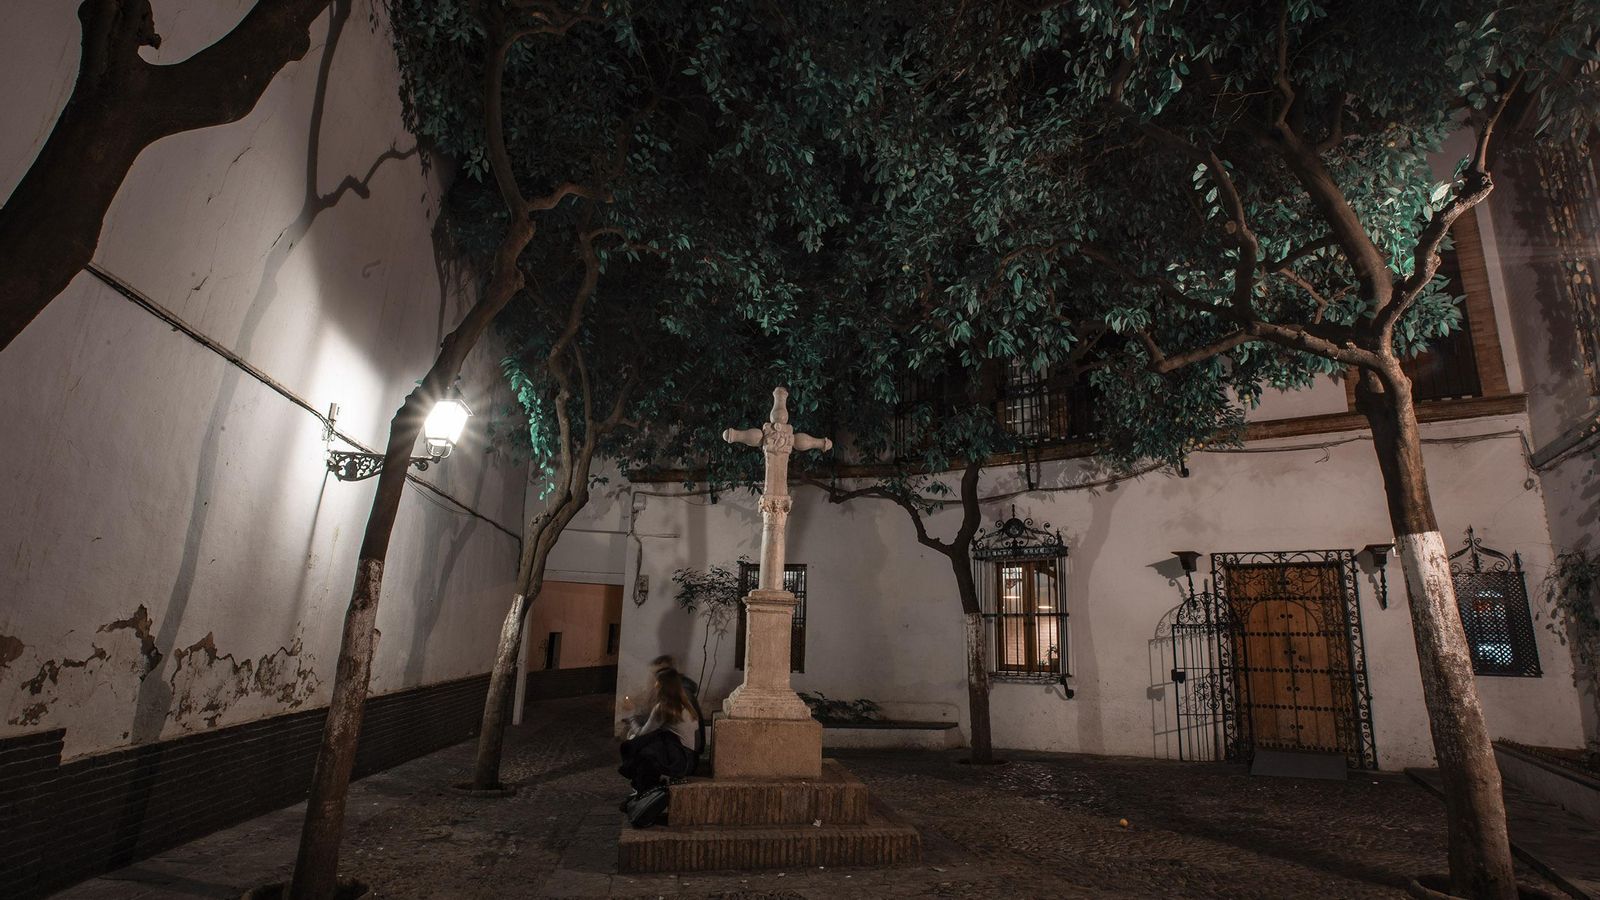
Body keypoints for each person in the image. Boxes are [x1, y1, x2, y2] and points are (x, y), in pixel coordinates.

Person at [618, 667, 700, 800]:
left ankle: (643, 789)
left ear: (663, 686)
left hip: (679, 762)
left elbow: (642, 733)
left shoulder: (663, 707)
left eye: (657, 683)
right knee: (655, 740)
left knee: (641, 747)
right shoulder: (685, 704)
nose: (655, 686)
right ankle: (645, 787)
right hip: (691, 760)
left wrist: (631, 719)